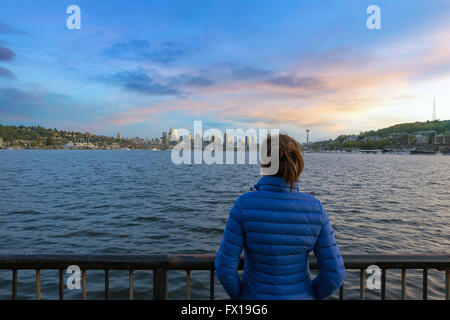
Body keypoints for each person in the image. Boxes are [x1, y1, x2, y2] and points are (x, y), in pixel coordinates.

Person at [215, 134, 345, 299]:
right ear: (298, 164)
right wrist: (309, 295)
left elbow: (225, 268)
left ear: (264, 164)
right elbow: (334, 274)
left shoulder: (244, 205)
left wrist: (243, 296)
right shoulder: (315, 208)